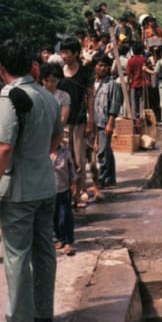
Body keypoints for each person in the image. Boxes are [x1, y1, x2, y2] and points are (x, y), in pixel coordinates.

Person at [0, 39, 63, 322]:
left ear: (1, 68)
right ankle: (43, 311)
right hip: (44, 182)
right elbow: (56, 138)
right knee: (44, 251)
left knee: (16, 254)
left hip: (18, 188)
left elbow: (3, 147)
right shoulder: (46, 95)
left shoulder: (11, 96)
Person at [59, 36, 95, 206]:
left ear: (75, 53)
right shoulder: (59, 73)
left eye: (67, 52)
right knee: (66, 159)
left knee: (80, 161)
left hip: (80, 121)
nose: (64, 55)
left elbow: (90, 97)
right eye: (62, 52)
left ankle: (79, 193)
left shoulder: (85, 73)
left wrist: (91, 120)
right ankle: (68, 194)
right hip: (63, 122)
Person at [92, 52, 122, 189]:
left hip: (104, 121)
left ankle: (101, 180)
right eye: (100, 65)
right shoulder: (91, 83)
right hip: (92, 121)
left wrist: (110, 123)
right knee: (107, 150)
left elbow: (114, 105)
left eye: (105, 66)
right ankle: (111, 177)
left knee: (102, 152)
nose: (103, 68)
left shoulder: (112, 84)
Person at [51, 142, 76, 256]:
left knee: (65, 216)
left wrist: (74, 184)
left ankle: (68, 242)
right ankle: (60, 239)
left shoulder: (65, 152)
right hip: (50, 192)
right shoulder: (45, 151)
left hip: (64, 189)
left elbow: (72, 169)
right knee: (54, 217)